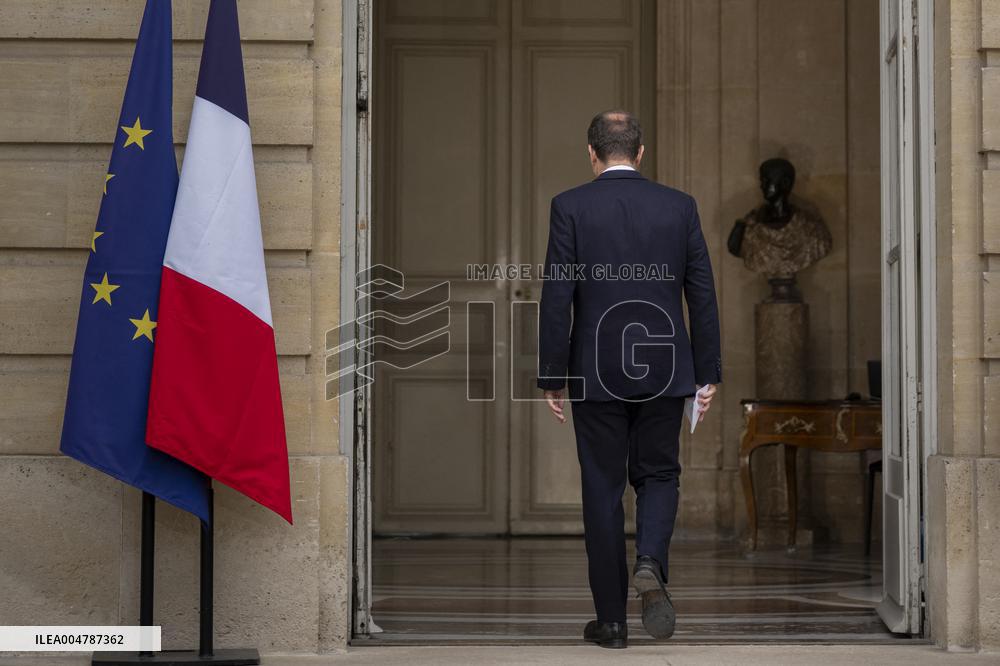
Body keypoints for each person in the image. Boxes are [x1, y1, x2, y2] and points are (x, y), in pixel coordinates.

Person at [537, 110, 722, 649]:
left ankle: (612, 624)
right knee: (659, 474)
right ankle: (650, 561)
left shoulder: (569, 206)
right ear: (640, 153)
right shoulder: (679, 206)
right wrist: (706, 374)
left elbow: (557, 297)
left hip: (596, 371)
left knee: (602, 488)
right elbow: (702, 294)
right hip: (666, 367)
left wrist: (553, 374)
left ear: (591, 154)